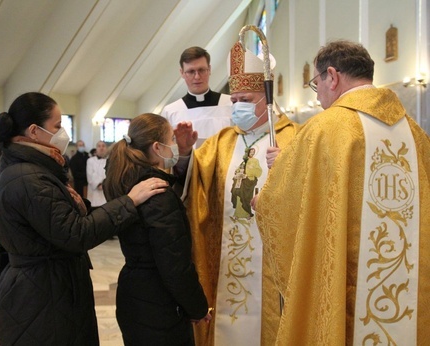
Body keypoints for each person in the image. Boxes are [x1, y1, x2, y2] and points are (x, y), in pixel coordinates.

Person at [256, 40, 430, 345]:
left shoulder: (324, 128)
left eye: (316, 83)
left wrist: (264, 203)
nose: (319, 93)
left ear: (332, 76)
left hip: (346, 289)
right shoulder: (415, 132)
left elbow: (282, 202)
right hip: (411, 289)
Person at [0, 92, 167, 345]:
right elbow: (76, 233)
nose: (64, 133)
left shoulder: (36, 169)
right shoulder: (29, 179)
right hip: (41, 297)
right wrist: (129, 201)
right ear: (34, 131)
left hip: (51, 287)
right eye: (57, 126)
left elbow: (68, 217)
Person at [175, 31, 300, 346]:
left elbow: (309, 193)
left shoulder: (292, 139)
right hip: (226, 256)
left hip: (271, 265)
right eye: (235, 101)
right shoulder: (222, 141)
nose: (238, 107)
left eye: (245, 101)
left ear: (266, 102)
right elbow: (195, 185)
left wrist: (286, 165)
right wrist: (186, 154)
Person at [103, 113, 211, 345]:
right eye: (171, 138)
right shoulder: (158, 193)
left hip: (134, 294)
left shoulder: (129, 181)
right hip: (158, 301)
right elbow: (174, 264)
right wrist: (197, 308)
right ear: (157, 147)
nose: (174, 144)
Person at [161, 46, 232, 147]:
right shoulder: (170, 112)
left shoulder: (230, 103)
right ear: (182, 73)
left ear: (209, 69)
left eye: (201, 70)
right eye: (190, 72)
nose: (197, 77)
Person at [86, 140, 107, 208]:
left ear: (106, 148)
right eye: (99, 146)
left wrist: (104, 184)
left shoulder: (109, 161)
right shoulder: (90, 161)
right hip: (94, 192)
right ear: (96, 149)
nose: (101, 148)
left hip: (105, 191)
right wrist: (98, 184)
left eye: (103, 146)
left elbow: (109, 175)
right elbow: (90, 175)